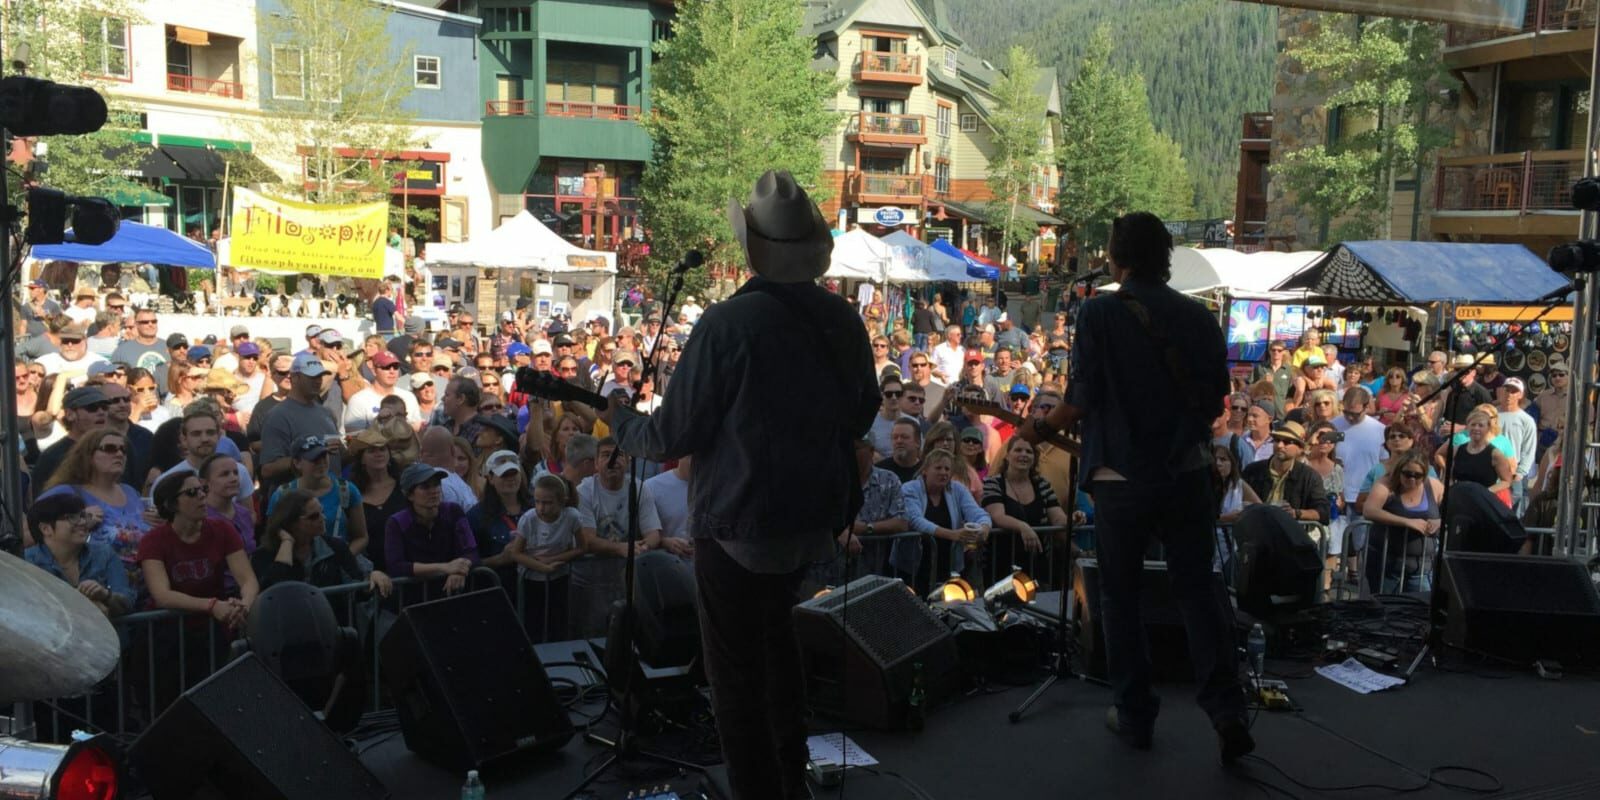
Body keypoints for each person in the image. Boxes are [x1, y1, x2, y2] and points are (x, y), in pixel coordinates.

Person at [605, 171, 879, 800]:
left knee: (734, 677)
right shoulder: (843, 320)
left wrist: (618, 419)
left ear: (751, 246)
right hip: (810, 520)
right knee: (779, 650)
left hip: (735, 525)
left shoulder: (727, 325)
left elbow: (668, 437)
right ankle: (793, 784)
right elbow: (862, 413)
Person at [1021, 211, 1251, 761]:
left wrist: (1038, 427)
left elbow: (1080, 398)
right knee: (1198, 592)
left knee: (1119, 597)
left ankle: (1135, 714)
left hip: (1120, 478)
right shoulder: (1198, 317)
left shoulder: (1099, 313)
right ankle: (1227, 712)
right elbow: (1216, 398)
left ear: (1115, 258)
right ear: (1166, 256)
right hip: (1187, 473)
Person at [36, 428, 154, 601]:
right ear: (87, 455)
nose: (119, 454)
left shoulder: (130, 492)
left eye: (123, 450)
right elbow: (28, 533)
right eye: (110, 448)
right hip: (94, 595)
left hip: (140, 596)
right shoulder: (66, 493)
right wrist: (79, 519)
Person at [139, 471, 258, 626]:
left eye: (203, 490)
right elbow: (162, 595)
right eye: (192, 492)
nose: (202, 496)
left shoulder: (223, 529)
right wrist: (211, 605)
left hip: (214, 626)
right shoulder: (153, 540)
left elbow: (248, 579)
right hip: (168, 631)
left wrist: (244, 606)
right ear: (171, 504)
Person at [252, 488, 393, 597]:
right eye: (314, 516)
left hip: (330, 624)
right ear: (291, 522)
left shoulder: (335, 547)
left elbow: (357, 588)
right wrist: (287, 542)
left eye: (322, 512)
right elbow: (271, 592)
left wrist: (371, 577)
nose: (323, 518)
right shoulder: (263, 554)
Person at [505, 473, 588, 642]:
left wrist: (554, 559)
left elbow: (582, 547)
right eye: (537, 502)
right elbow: (516, 552)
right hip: (531, 579)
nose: (541, 508)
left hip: (560, 576)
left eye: (547, 503)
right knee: (533, 624)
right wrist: (541, 567)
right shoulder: (529, 519)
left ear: (562, 501)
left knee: (558, 623)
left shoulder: (571, 517)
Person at [25, 492, 133, 618]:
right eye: (71, 517)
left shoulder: (104, 553)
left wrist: (105, 595)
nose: (82, 522)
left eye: (83, 516)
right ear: (46, 529)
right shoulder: (26, 562)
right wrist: (86, 608)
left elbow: (128, 601)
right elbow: (28, 609)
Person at [981, 436, 1067, 583]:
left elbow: (1057, 518)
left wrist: (1074, 519)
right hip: (1001, 562)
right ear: (1007, 456)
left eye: (1029, 452)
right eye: (1018, 450)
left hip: (1036, 563)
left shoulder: (1042, 484)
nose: (1024, 455)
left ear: (1034, 458)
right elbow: (997, 516)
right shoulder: (993, 483)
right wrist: (1023, 527)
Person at [384, 462, 479, 594]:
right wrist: (445, 568)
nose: (434, 491)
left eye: (436, 484)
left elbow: (471, 551)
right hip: (414, 598)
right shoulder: (397, 522)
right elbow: (396, 566)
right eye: (425, 487)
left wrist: (460, 569)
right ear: (409, 494)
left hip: (452, 594)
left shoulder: (453, 511)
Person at [267, 435, 370, 556]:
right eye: (314, 459)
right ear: (297, 463)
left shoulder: (346, 490)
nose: (321, 463)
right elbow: (272, 538)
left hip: (338, 566)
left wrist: (342, 559)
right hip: (297, 566)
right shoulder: (282, 495)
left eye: (324, 456)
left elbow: (361, 537)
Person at [1362, 450, 1444, 593]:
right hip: (1387, 565)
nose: (1412, 479)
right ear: (1399, 471)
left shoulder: (1434, 485)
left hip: (1421, 567)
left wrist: (1439, 521)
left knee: (1418, 610)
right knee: (1385, 607)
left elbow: (1453, 511)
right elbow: (1369, 510)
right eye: (1407, 474)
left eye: (1418, 475)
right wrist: (1407, 522)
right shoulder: (1385, 484)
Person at [466, 450, 532, 591]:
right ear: (490, 478)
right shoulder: (476, 515)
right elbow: (469, 561)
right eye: (504, 474)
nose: (510, 479)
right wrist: (501, 558)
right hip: (498, 591)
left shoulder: (536, 507)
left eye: (514, 473)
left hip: (537, 589)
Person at [348, 428, 405, 571]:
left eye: (382, 449)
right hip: (370, 573)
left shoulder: (404, 486)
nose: (378, 454)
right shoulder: (352, 493)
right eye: (371, 450)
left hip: (406, 568)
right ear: (361, 458)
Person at [1445, 408, 1515, 508]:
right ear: (1467, 427)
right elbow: (1449, 476)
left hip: (1482, 503)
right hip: (1460, 500)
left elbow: (1506, 481)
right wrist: (1451, 490)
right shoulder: (1457, 450)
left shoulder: (1495, 454)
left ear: (1488, 428)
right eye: (1473, 424)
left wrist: (1486, 492)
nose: (1476, 428)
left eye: (1481, 425)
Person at [200, 452, 256, 554]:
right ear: (204, 482)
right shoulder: (199, 518)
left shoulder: (244, 514)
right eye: (224, 474)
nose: (234, 478)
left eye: (236, 473)